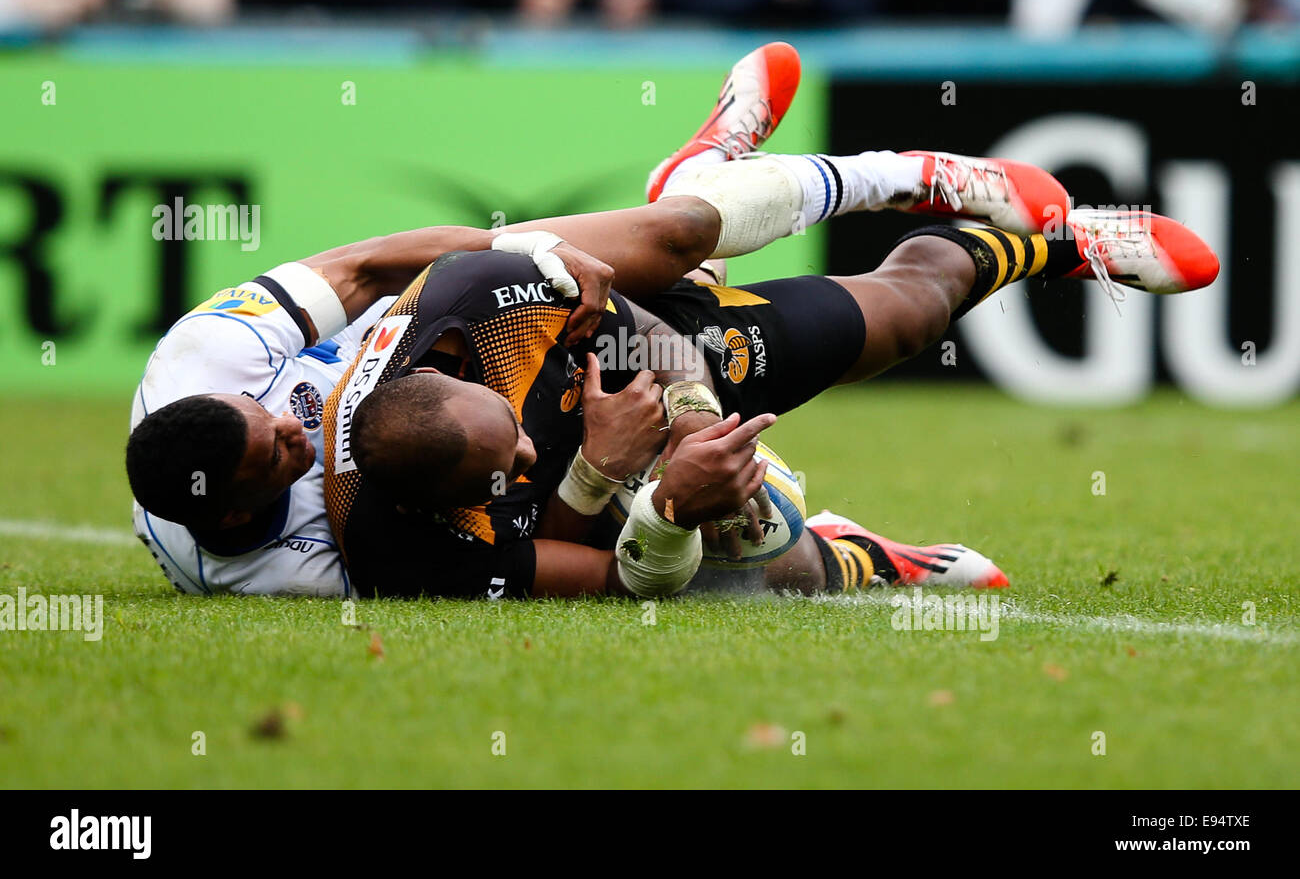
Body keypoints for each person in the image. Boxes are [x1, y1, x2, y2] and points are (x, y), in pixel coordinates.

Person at [125, 41, 1078, 596]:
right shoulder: (348, 560)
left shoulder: (207, 356)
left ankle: (914, 177)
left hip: (509, 319)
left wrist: (541, 263)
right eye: (280, 452)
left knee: (669, 244)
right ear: (242, 511)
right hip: (518, 433)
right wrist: (641, 492)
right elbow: (583, 571)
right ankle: (855, 555)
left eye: (274, 415)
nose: (294, 421)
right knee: (757, 565)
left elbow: (371, 262)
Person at [324, 120, 1219, 599]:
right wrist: (608, 477)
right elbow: (616, 580)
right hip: (599, 462)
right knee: (758, 565)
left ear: (444, 366)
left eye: (509, 436)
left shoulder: (466, 301)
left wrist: (691, 419)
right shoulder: (402, 557)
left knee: (895, 313)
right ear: (443, 507)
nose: (521, 453)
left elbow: (651, 324)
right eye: (503, 471)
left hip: (614, 333)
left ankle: (1036, 235)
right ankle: (866, 557)